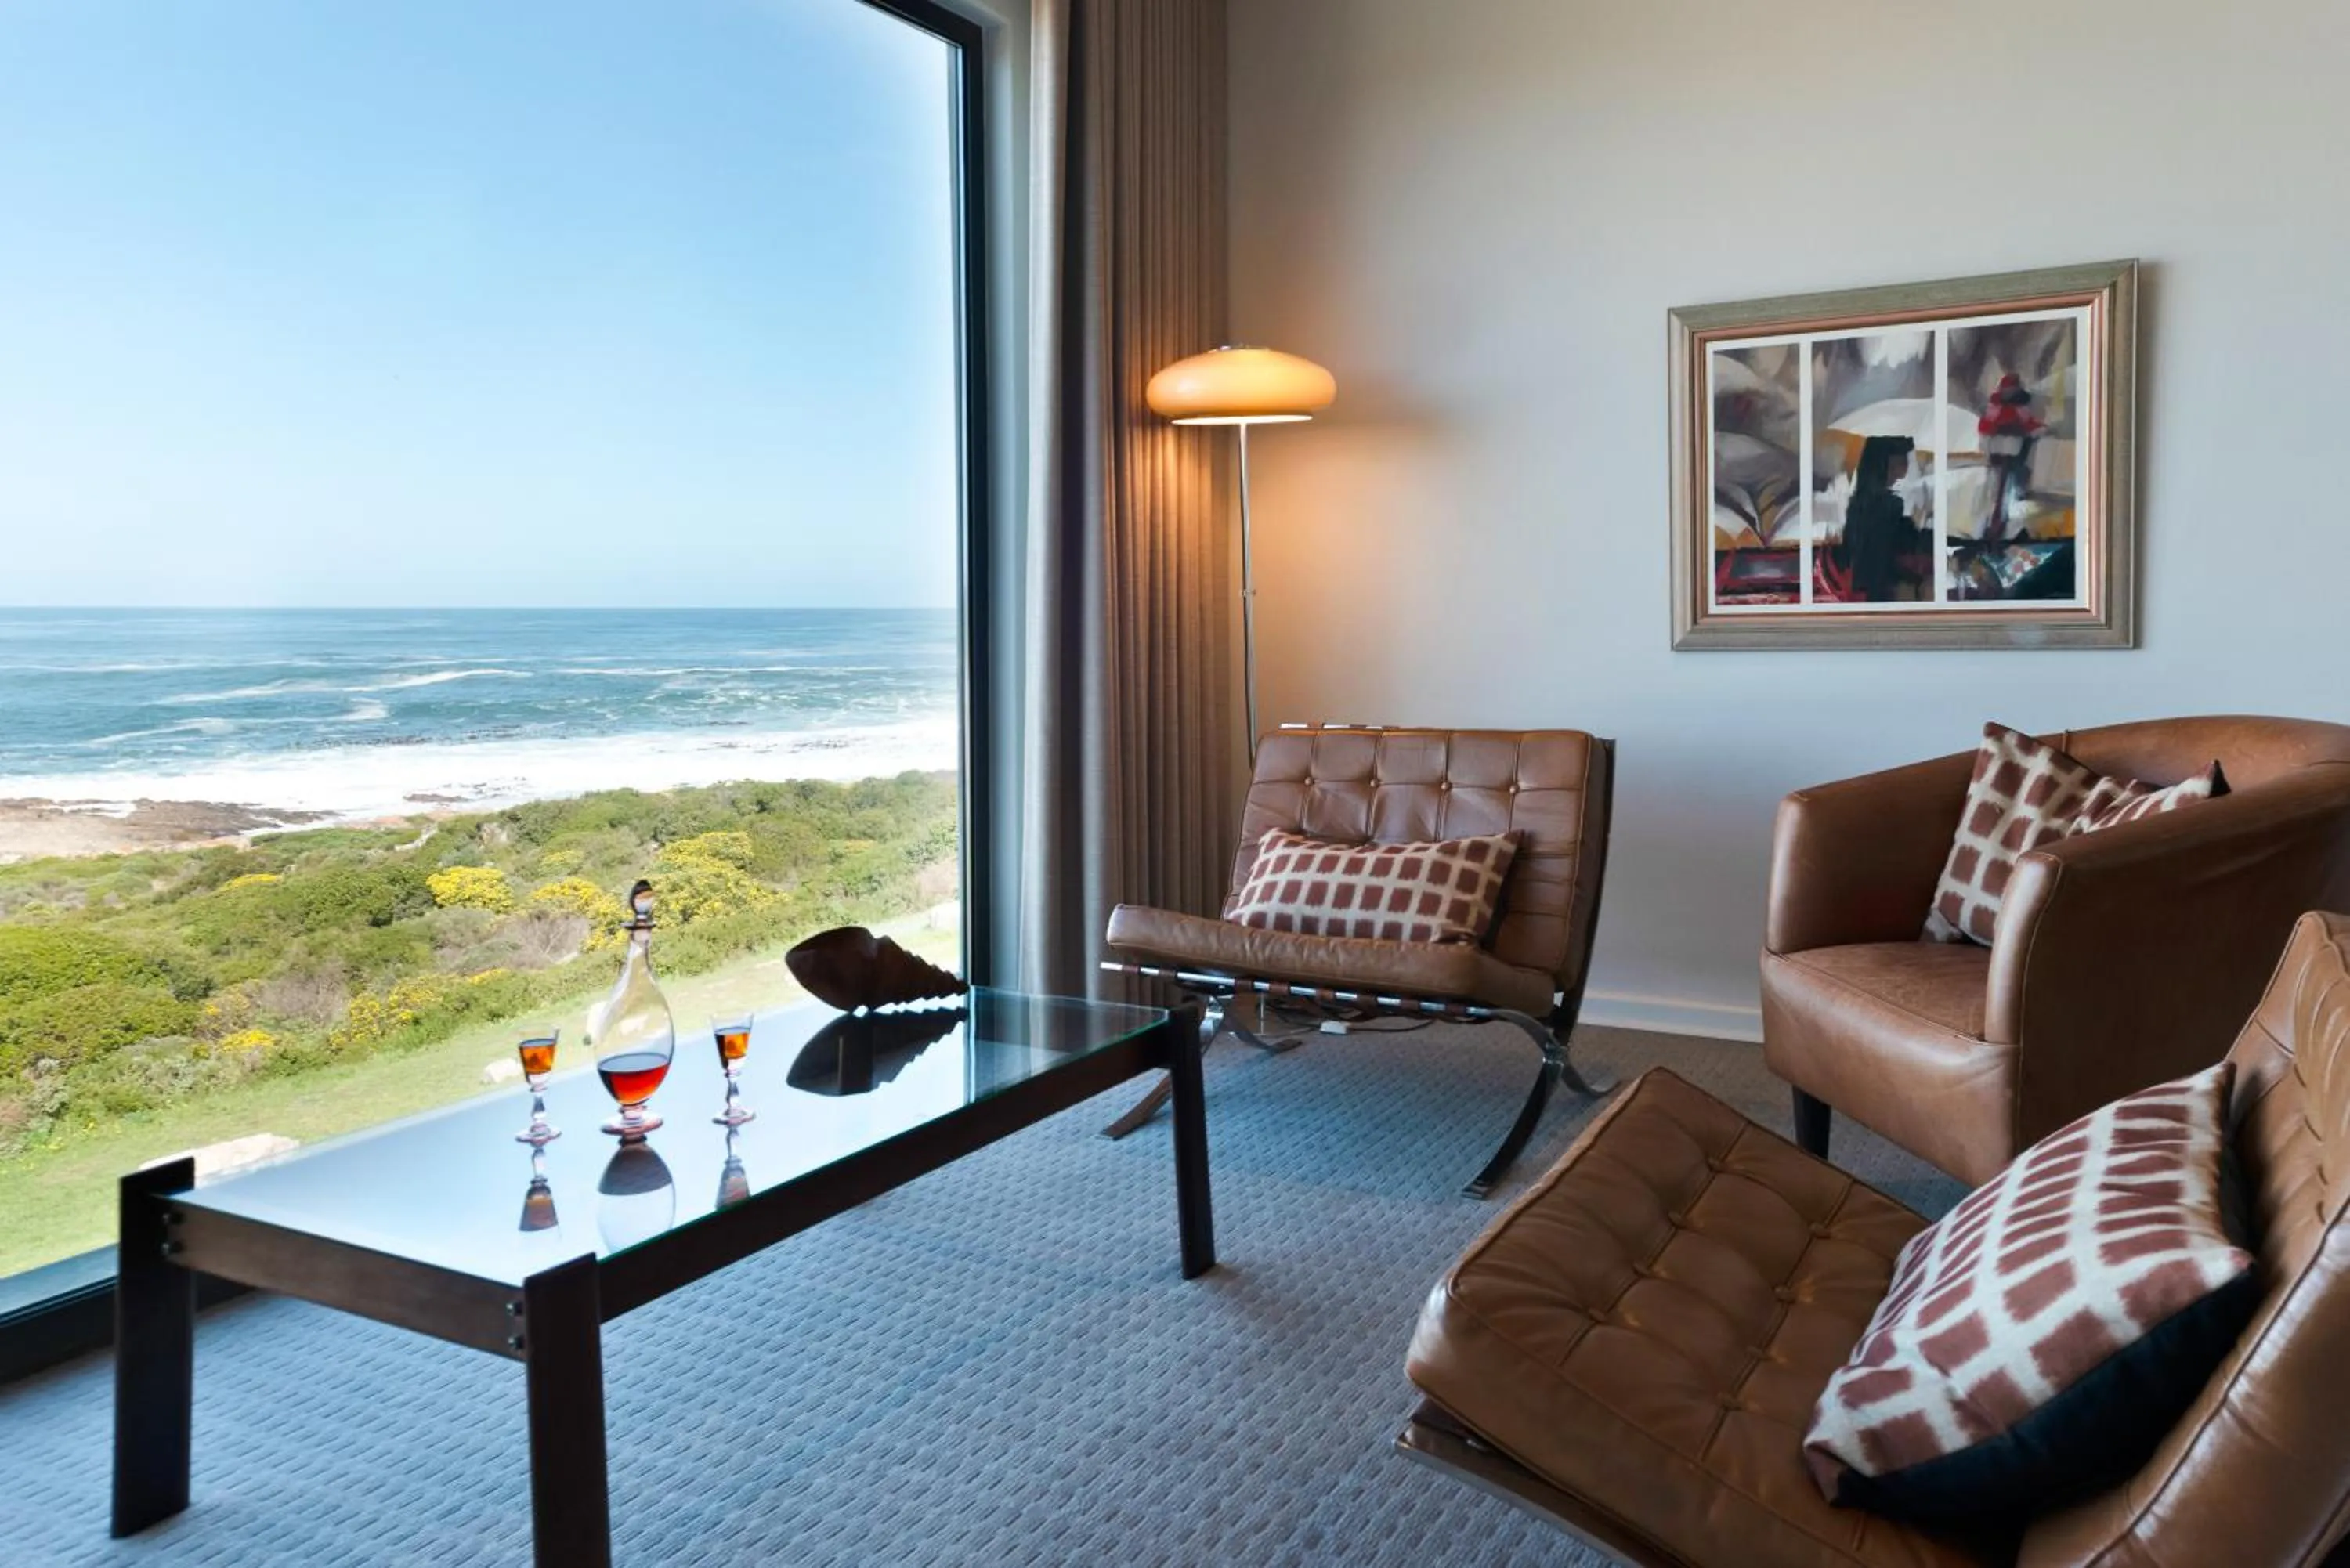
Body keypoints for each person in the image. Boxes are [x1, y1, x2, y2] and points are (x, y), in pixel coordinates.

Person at [1840, 434, 1922, 601]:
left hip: (1861, 590)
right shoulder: (1890, 505)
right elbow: (1895, 550)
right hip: (1883, 590)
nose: (1906, 465)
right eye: (1902, 460)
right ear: (1886, 464)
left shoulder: (1857, 503)